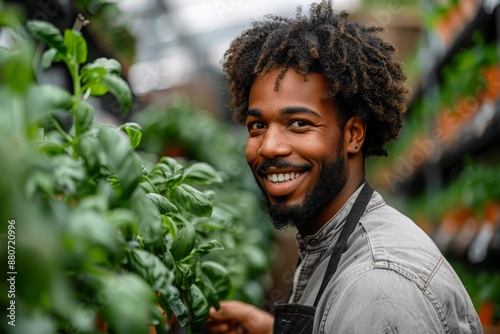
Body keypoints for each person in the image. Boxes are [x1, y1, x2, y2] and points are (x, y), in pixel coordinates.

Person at [206, 1, 483, 333]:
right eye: (257, 126)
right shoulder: (332, 240)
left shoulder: (378, 289)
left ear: (353, 135)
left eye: (298, 124)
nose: (269, 147)